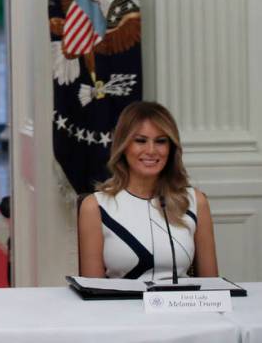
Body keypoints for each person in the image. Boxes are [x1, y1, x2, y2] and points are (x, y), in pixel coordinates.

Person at [78, 101, 219, 280]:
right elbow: (93, 292)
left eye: (161, 141)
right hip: (120, 307)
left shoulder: (195, 202)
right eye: (140, 141)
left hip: (183, 307)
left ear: (171, 148)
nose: (151, 150)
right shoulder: (95, 207)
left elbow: (212, 287)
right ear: (124, 146)